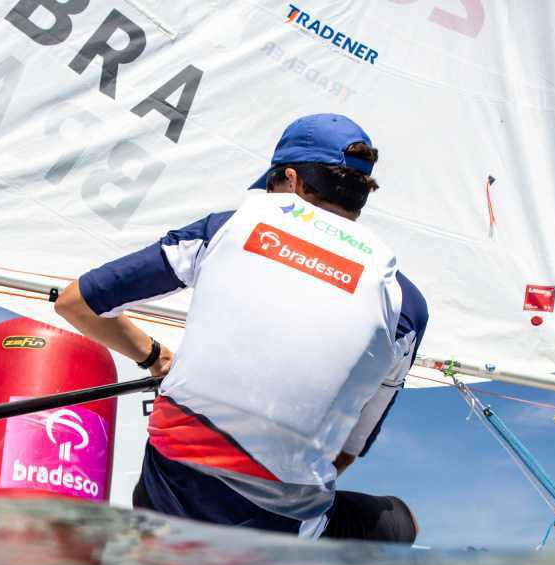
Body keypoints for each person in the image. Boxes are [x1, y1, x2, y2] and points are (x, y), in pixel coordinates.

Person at [56, 114, 427, 543]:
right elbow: (349, 448)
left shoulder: (226, 227)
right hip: (281, 526)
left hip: (171, 493)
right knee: (398, 520)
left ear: (289, 179)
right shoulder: (407, 305)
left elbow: (76, 302)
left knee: (160, 490)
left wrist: (156, 358)